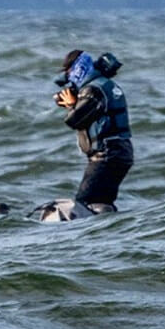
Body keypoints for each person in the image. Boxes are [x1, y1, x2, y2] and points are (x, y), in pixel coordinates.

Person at [54, 50, 133, 212]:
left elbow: (74, 120)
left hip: (106, 155)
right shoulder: (104, 84)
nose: (68, 77)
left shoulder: (92, 90)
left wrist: (71, 104)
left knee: (84, 204)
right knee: (102, 203)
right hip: (119, 152)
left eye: (68, 71)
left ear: (76, 68)